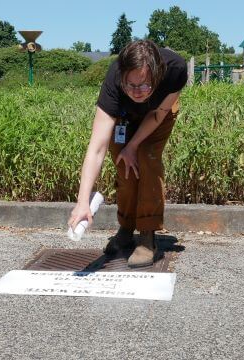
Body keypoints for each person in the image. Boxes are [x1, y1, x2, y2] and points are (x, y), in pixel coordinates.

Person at [68, 40, 187, 268]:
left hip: (157, 113)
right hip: (124, 117)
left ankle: (147, 235)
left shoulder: (175, 69)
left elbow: (157, 115)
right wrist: (83, 203)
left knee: (146, 157)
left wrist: (133, 146)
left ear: (157, 75)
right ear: (122, 76)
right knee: (124, 163)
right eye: (131, 85)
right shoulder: (113, 83)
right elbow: (96, 148)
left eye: (144, 85)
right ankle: (126, 227)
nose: (137, 92)